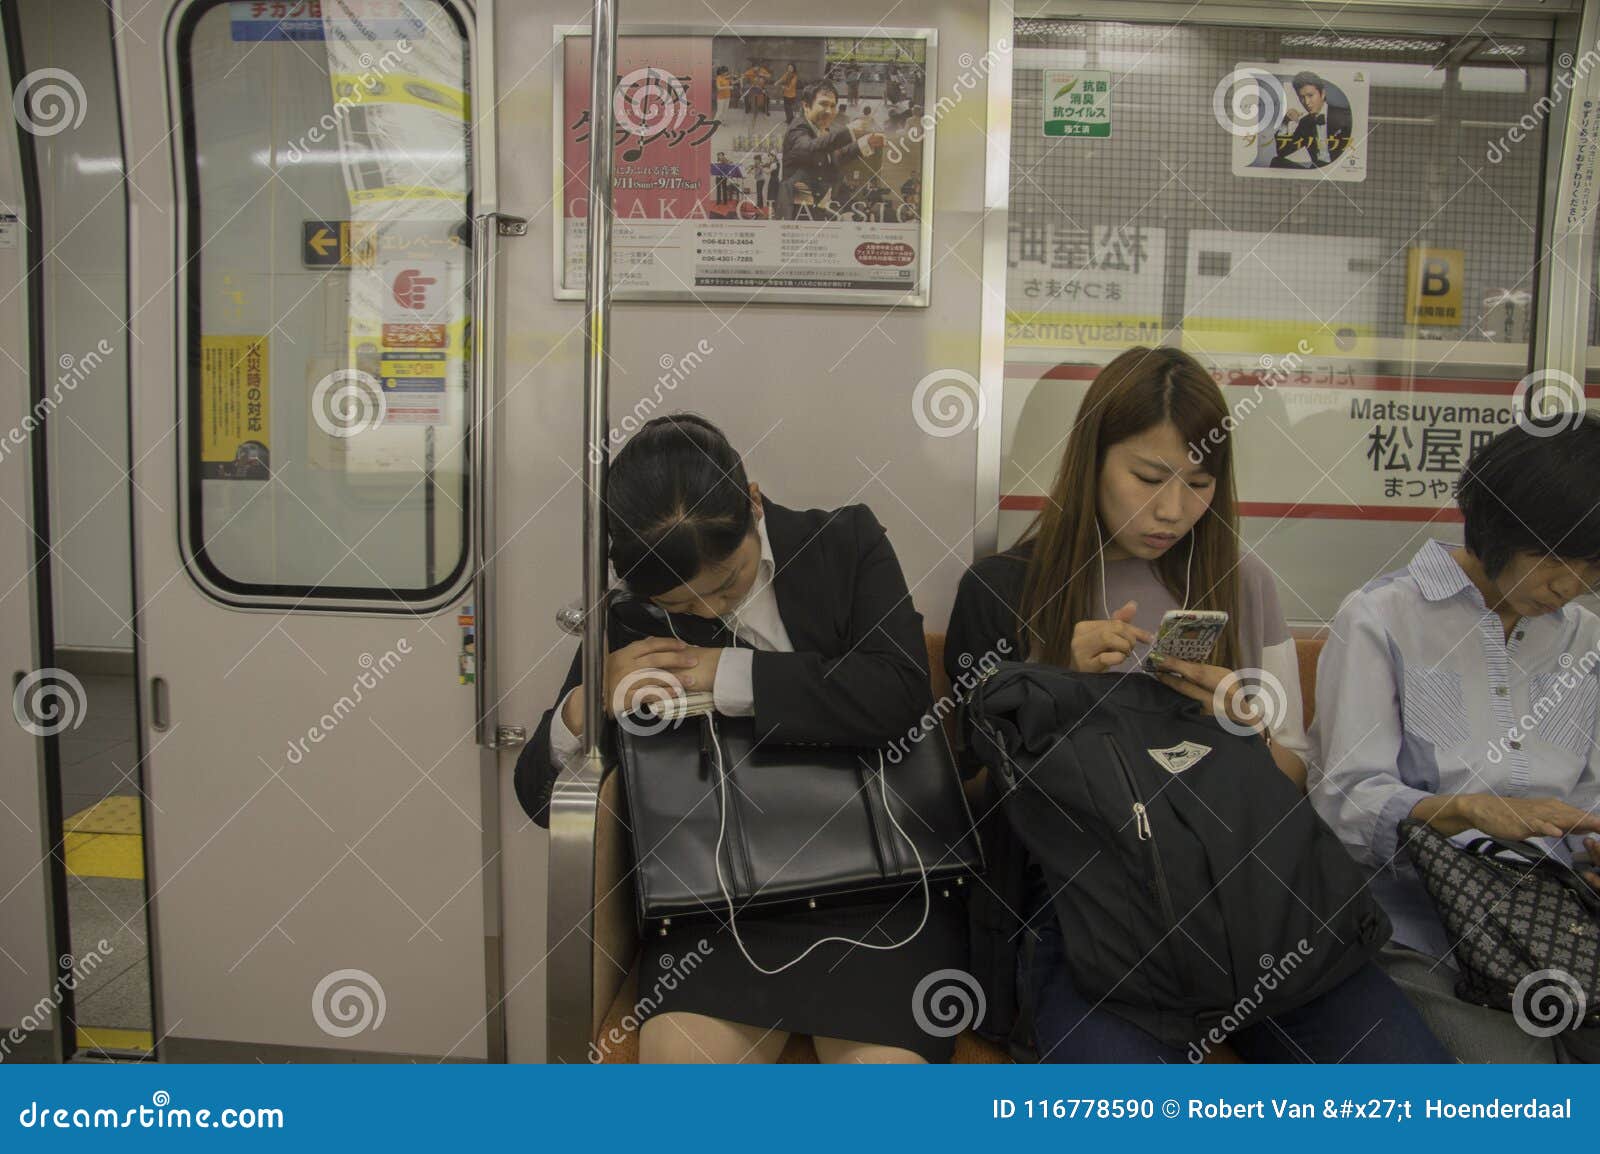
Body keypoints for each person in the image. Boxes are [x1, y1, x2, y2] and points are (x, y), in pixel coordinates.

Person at [945, 345, 1449, 1062]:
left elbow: (1291, 777)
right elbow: (971, 798)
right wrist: (1050, 686)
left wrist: (1241, 724)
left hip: (1254, 900)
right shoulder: (1004, 589)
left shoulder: (1242, 582)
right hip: (1094, 915)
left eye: (1200, 482)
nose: (1174, 510)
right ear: (1091, 460)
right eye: (1148, 478)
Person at [513, 414, 967, 1063]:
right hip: (712, 906)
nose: (712, 612)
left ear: (752, 502)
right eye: (685, 605)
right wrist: (586, 707)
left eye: (727, 584)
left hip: (876, 886)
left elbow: (898, 694)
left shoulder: (845, 543)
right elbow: (538, 801)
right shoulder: (631, 617)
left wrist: (728, 673)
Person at [1310, 417, 1600, 1063]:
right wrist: (1459, 810)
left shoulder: (1585, 639)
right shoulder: (1383, 618)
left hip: (1562, 923)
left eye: (1592, 566)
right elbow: (1346, 800)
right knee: (1519, 1087)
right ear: (1495, 526)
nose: (1569, 585)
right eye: (1553, 557)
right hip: (1422, 923)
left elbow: (1589, 797)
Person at [781, 81, 883, 219]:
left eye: (832, 106)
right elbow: (810, 149)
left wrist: (864, 143)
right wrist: (849, 131)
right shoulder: (798, 128)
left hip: (819, 209)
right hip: (797, 211)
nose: (829, 111)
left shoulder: (823, 129)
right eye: (823, 104)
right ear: (806, 106)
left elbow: (835, 156)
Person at [1273, 70, 1352, 168]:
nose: (1306, 102)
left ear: (1322, 94)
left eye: (1310, 95)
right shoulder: (1305, 122)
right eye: (1301, 97)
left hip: (1339, 170)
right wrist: (1285, 122)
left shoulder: (1344, 116)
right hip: (1317, 172)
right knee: (1276, 162)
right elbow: (1282, 152)